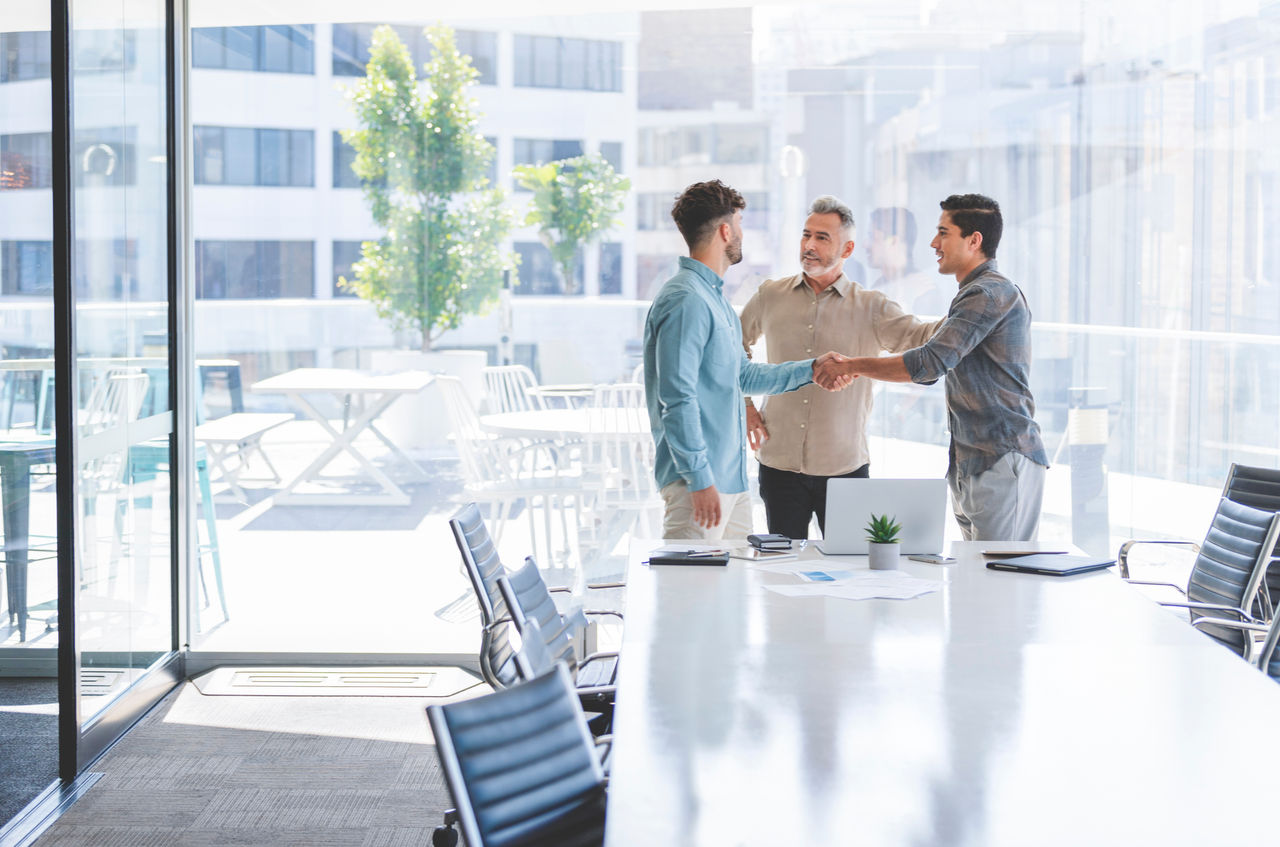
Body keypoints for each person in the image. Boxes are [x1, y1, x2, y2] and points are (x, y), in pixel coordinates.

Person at [824, 194, 1049, 541]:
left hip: (1002, 457)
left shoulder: (988, 294)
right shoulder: (972, 293)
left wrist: (853, 366)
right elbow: (932, 356)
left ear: (974, 240)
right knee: (977, 582)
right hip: (972, 461)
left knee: (1002, 581)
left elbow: (929, 364)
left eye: (943, 233)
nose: (933, 243)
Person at [643, 180, 847, 540]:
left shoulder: (715, 299)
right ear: (725, 231)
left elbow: (742, 376)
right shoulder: (686, 300)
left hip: (730, 481)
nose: (741, 234)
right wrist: (700, 478)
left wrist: (810, 369)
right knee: (690, 596)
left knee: (734, 593)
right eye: (739, 225)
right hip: (698, 486)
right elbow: (676, 400)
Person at [739, 195, 942, 539]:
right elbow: (733, 349)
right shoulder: (770, 295)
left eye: (822, 238)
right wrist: (745, 406)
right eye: (806, 235)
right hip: (779, 463)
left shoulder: (872, 306)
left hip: (844, 466)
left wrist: (969, 317)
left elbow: (918, 337)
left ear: (847, 250)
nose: (809, 245)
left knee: (849, 573)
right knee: (784, 576)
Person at [864, 206, 950, 315]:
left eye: (872, 237)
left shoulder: (923, 293)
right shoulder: (879, 286)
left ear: (893, 241)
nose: (865, 244)